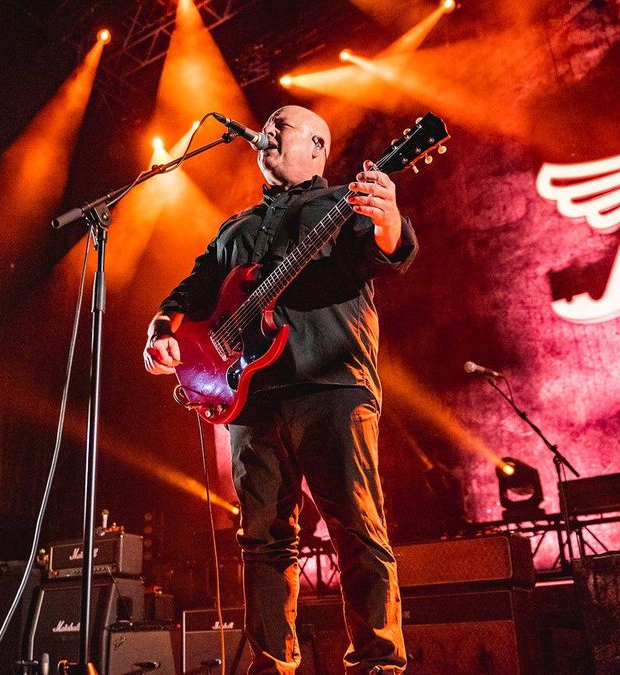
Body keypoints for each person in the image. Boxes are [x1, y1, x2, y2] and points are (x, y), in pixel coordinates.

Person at [144, 105, 416, 674]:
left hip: (333, 385)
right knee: (262, 541)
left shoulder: (345, 203)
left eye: (281, 126)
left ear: (317, 147)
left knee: (357, 527)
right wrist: (160, 330)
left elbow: (390, 253)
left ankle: (379, 664)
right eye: (265, 126)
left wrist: (389, 218)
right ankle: (272, 665)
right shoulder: (235, 229)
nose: (266, 132)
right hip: (250, 398)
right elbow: (190, 294)